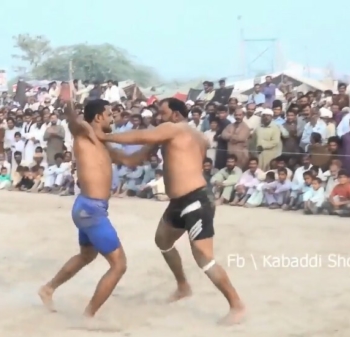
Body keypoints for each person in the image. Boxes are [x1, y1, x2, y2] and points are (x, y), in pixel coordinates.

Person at [96, 97, 244, 325]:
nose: (159, 118)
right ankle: (183, 285)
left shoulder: (175, 129)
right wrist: (109, 147)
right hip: (178, 202)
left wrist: (106, 136)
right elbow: (136, 156)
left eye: (163, 113)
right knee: (162, 240)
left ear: (176, 114)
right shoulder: (193, 136)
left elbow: (143, 135)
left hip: (196, 199)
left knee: (203, 256)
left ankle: (236, 305)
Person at [38, 98, 153, 321]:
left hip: (87, 208)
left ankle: (48, 288)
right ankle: (88, 315)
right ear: (99, 117)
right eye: (110, 114)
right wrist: (69, 107)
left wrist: (155, 141)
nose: (113, 118)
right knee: (119, 265)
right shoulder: (83, 134)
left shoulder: (104, 145)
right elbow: (74, 122)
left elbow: (131, 161)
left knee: (87, 255)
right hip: (91, 210)